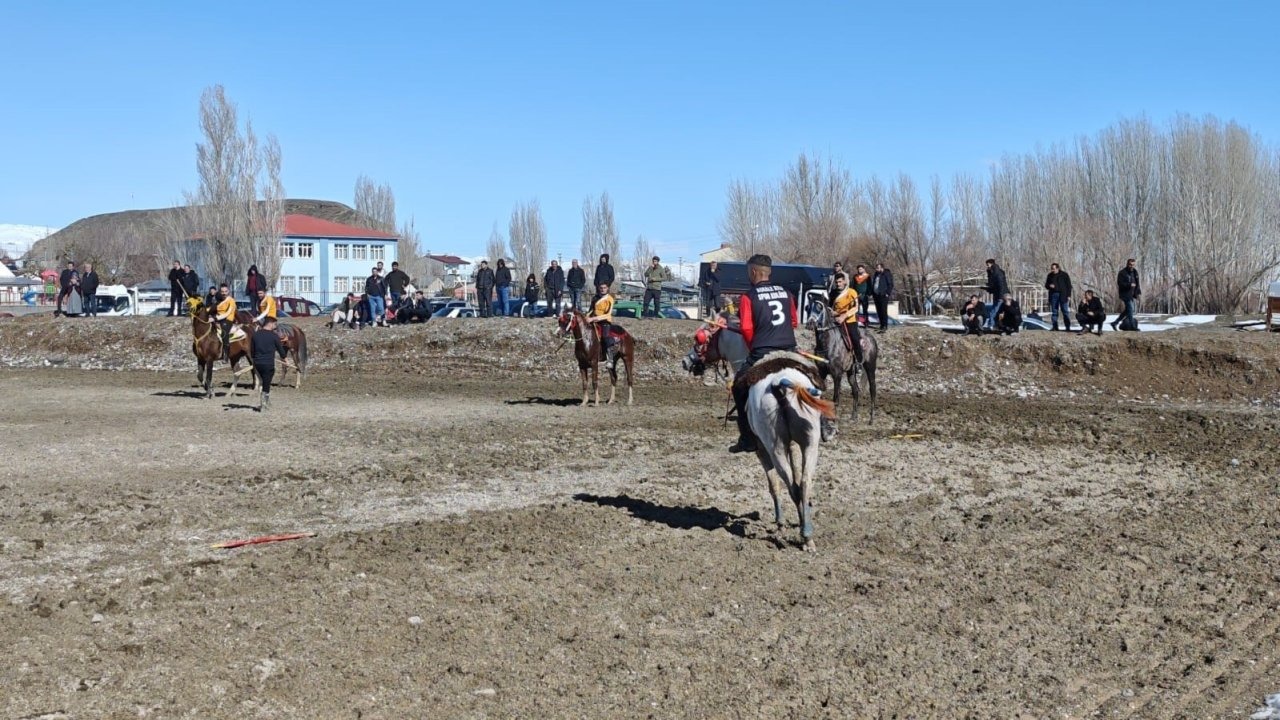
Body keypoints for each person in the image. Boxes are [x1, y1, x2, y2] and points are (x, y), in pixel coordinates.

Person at [729, 254, 799, 454]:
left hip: (762, 351)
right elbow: (794, 322)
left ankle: (747, 439)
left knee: (738, 386)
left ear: (752, 272)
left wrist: (754, 347)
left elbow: (747, 329)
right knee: (814, 377)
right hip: (788, 349)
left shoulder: (747, 297)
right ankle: (825, 422)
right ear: (769, 272)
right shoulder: (786, 293)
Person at [250, 315, 288, 412]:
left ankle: (266, 402)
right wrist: (285, 359)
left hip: (257, 364)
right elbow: (281, 350)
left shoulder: (255, 335)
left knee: (263, 382)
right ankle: (263, 405)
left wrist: (255, 359)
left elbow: (252, 352)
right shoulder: (274, 336)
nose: (275, 326)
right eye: (275, 324)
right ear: (270, 324)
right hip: (268, 364)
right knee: (266, 384)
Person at [829, 273, 864, 363]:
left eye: (840, 282)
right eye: (836, 282)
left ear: (844, 281)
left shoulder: (852, 292)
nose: (838, 284)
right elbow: (830, 307)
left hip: (849, 320)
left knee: (855, 339)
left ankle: (859, 361)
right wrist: (832, 313)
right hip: (835, 320)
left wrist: (844, 316)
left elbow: (855, 308)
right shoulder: (833, 293)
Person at [586, 281, 620, 350]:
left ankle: (610, 353)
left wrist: (594, 318)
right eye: (601, 288)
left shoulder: (610, 299)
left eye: (604, 288)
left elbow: (608, 314)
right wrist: (586, 317)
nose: (602, 289)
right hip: (594, 319)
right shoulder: (595, 298)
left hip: (605, 321)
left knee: (605, 337)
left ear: (607, 288)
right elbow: (591, 310)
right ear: (598, 288)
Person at [1112, 258, 1141, 331]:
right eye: (1130, 265)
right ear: (1127, 264)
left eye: (1133, 265)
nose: (1131, 266)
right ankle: (1133, 326)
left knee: (1128, 310)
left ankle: (1115, 323)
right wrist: (1129, 285)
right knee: (1131, 309)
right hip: (1124, 294)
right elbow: (1120, 283)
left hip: (1132, 294)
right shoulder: (1122, 273)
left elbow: (1137, 283)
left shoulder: (1135, 272)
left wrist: (1138, 292)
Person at [1044, 263, 1073, 331]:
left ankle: (1067, 326)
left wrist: (1069, 295)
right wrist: (1049, 286)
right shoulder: (1050, 275)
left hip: (1063, 294)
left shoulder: (1064, 275)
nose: (1052, 270)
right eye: (1052, 269)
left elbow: (1069, 286)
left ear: (1058, 268)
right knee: (1054, 311)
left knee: (1065, 311)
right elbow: (1046, 285)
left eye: (1054, 269)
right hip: (1053, 294)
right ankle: (1055, 326)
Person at [214, 284, 237, 361]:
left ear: (228, 291)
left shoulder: (231, 301)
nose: (224, 293)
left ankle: (226, 354)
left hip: (227, 320)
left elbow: (228, 313)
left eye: (225, 291)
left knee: (224, 332)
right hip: (218, 319)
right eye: (222, 291)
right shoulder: (219, 300)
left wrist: (216, 318)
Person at [984, 259, 1009, 329]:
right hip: (997, 294)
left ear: (991, 264)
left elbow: (1001, 285)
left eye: (988, 265)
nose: (987, 266)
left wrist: (1001, 296)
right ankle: (995, 325)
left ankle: (991, 324)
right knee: (996, 310)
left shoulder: (997, 273)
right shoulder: (992, 272)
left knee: (994, 310)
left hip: (1000, 295)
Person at [870, 262, 894, 333]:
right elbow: (874, 283)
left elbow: (890, 284)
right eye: (876, 268)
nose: (876, 269)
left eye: (878, 268)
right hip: (876, 295)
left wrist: (887, 293)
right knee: (879, 310)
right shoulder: (876, 274)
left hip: (883, 295)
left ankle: (885, 326)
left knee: (883, 310)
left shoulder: (886, 274)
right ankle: (881, 325)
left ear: (882, 268)